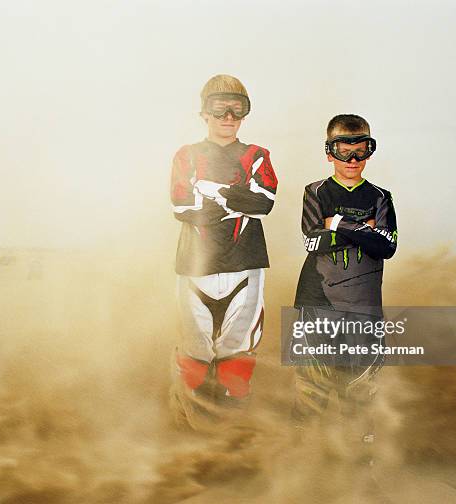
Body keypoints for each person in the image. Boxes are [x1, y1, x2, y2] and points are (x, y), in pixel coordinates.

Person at [169, 75, 278, 427]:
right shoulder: (186, 156)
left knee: (237, 353)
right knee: (194, 353)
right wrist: (236, 197)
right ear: (204, 112)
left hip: (245, 264)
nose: (228, 116)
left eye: (237, 108)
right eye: (219, 108)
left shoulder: (258, 155)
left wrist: (212, 191)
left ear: (246, 113)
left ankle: (230, 434)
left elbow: (264, 203)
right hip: (194, 266)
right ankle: (188, 428)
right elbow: (183, 206)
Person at [291, 114, 397, 459]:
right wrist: (363, 228)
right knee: (312, 386)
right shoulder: (315, 191)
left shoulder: (381, 197)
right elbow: (312, 240)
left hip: (363, 305)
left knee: (360, 389)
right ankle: (301, 464)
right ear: (329, 153)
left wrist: (336, 222)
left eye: (361, 150)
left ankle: (359, 470)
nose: (352, 160)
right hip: (316, 300)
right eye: (343, 150)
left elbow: (387, 247)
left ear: (370, 151)